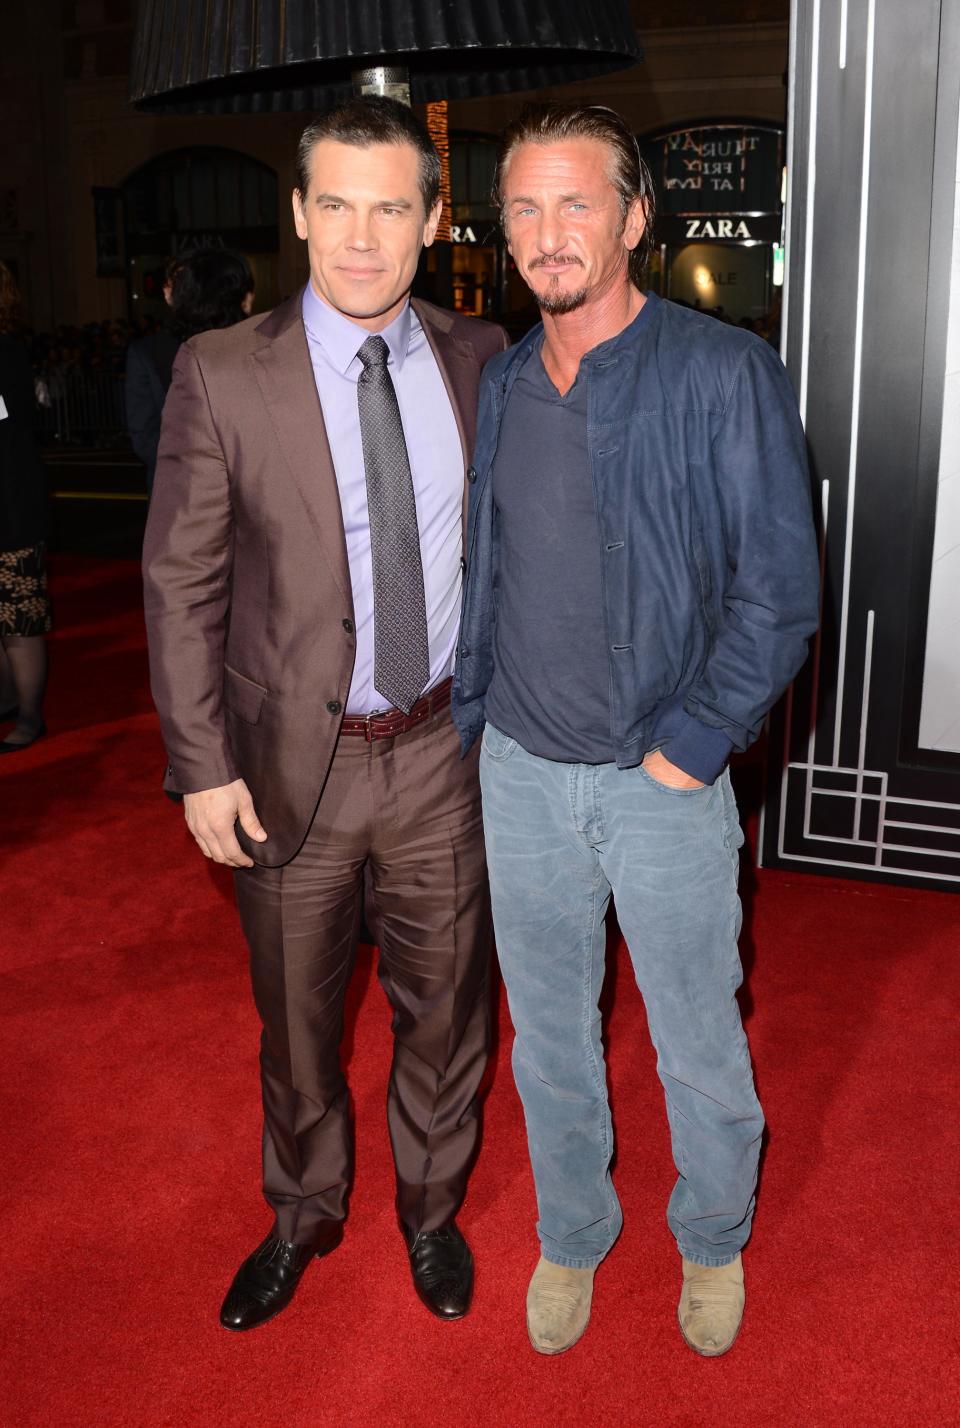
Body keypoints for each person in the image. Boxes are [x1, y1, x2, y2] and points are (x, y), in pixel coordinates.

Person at [452, 103, 820, 1358]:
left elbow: (780, 590)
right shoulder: (503, 380)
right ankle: (573, 1230)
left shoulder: (723, 373)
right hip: (521, 770)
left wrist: (693, 743)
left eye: (576, 203)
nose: (549, 234)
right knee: (547, 1035)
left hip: (666, 779)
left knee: (696, 1036)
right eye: (525, 210)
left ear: (634, 217)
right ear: (504, 230)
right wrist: (478, 727)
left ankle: (712, 1239)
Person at [142, 97, 506, 1332]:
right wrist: (199, 767)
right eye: (336, 205)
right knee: (295, 1020)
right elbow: (180, 582)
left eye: (391, 206)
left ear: (433, 219)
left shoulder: (482, 356)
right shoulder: (220, 371)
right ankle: (301, 1213)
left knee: (447, 1007)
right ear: (296, 214)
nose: (362, 237)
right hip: (289, 767)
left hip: (445, 749)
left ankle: (430, 1207)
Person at [126, 250, 255, 495]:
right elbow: (146, 437)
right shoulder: (150, 352)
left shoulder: (247, 347)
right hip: (180, 492)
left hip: (235, 490)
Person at [0, 261, 51, 754]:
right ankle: (9, 700)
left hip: (11, 511)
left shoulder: (6, 352)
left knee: (19, 621)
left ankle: (30, 717)